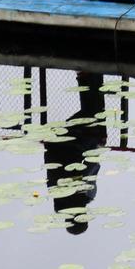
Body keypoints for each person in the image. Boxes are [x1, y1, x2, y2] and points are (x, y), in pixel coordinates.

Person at [43, 71, 107, 235]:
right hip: (56, 144)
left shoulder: (86, 195)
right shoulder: (56, 194)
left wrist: (97, 146)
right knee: (95, 116)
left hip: (72, 144)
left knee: (95, 119)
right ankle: (89, 77)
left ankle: (91, 77)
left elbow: (92, 166)